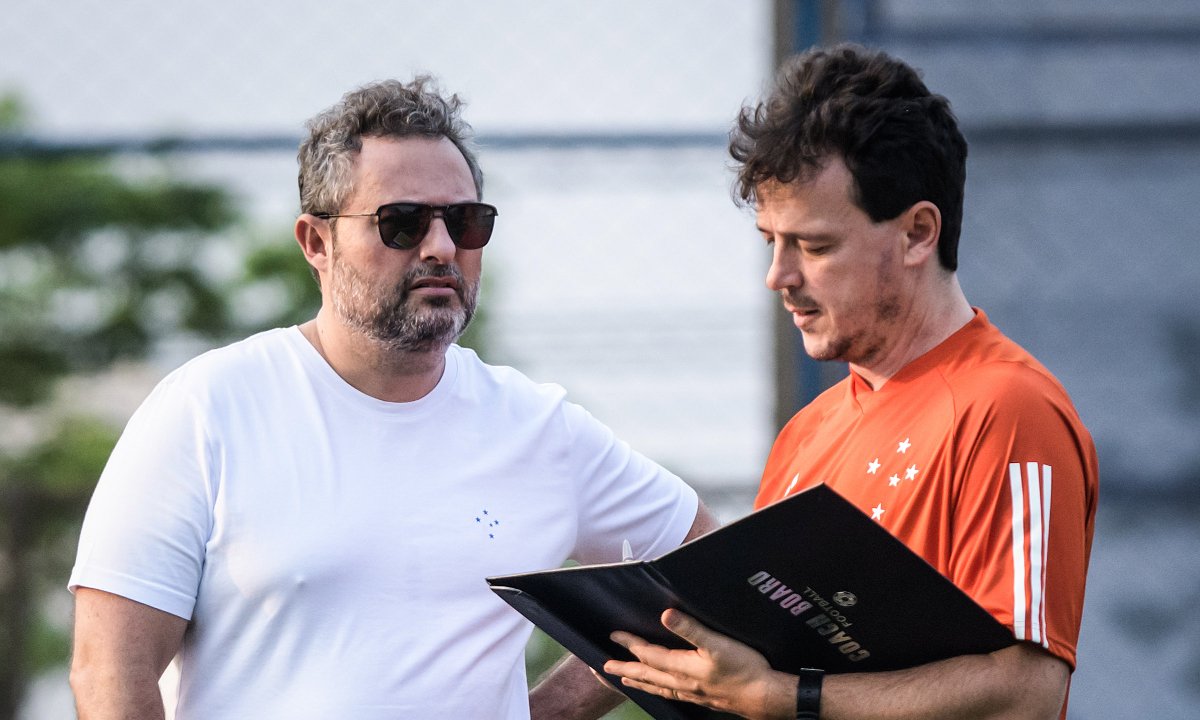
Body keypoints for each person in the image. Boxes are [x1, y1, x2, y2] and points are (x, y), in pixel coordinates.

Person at [67, 76, 718, 720]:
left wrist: (548, 710)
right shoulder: (207, 409)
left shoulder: (540, 427)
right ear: (316, 243)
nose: (441, 247)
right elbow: (109, 674)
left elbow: (706, 572)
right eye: (402, 223)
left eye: (465, 221)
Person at [603, 44, 1098, 720]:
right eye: (769, 242)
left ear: (919, 233)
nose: (778, 276)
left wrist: (788, 699)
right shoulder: (807, 433)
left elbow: (1027, 696)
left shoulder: (1010, 409)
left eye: (813, 246)